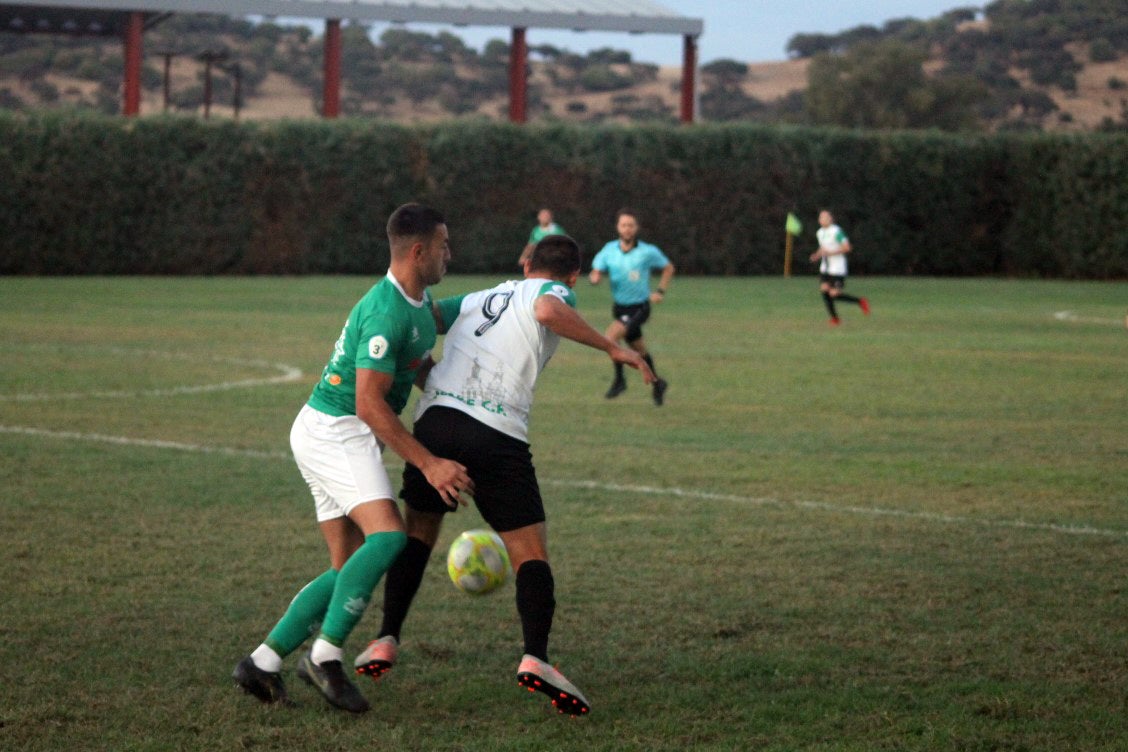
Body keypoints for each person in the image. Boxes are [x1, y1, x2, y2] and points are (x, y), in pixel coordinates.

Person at [352, 234, 654, 717]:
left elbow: (425, 318)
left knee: (420, 531)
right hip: (495, 432)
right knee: (528, 550)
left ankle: (386, 637)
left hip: (435, 423)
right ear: (572, 277)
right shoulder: (552, 293)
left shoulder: (478, 297)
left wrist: (415, 362)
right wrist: (609, 348)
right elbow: (548, 312)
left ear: (524, 260)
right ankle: (536, 656)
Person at [232, 203, 473, 714]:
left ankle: (263, 661)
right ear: (418, 250)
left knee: (347, 567)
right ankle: (324, 656)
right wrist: (429, 462)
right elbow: (368, 402)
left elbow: (418, 359)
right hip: (337, 430)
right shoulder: (386, 310)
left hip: (330, 429)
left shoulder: (416, 300)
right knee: (388, 536)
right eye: (444, 245)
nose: (450, 254)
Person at [588, 208, 674, 405]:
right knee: (640, 350)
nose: (627, 229)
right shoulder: (609, 250)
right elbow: (596, 270)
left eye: (631, 225)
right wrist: (595, 277)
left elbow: (668, 268)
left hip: (639, 307)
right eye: (624, 225)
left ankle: (620, 380)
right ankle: (657, 383)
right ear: (618, 227)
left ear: (637, 228)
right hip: (619, 308)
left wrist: (660, 291)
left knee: (610, 338)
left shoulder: (647, 251)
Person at [809, 210, 870, 326]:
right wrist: (816, 256)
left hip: (838, 268)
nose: (821, 219)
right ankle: (835, 319)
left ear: (831, 219)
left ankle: (860, 301)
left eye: (825, 217)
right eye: (820, 217)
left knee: (834, 294)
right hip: (825, 268)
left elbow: (847, 248)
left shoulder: (836, 231)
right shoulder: (820, 232)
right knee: (824, 290)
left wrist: (830, 253)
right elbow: (823, 248)